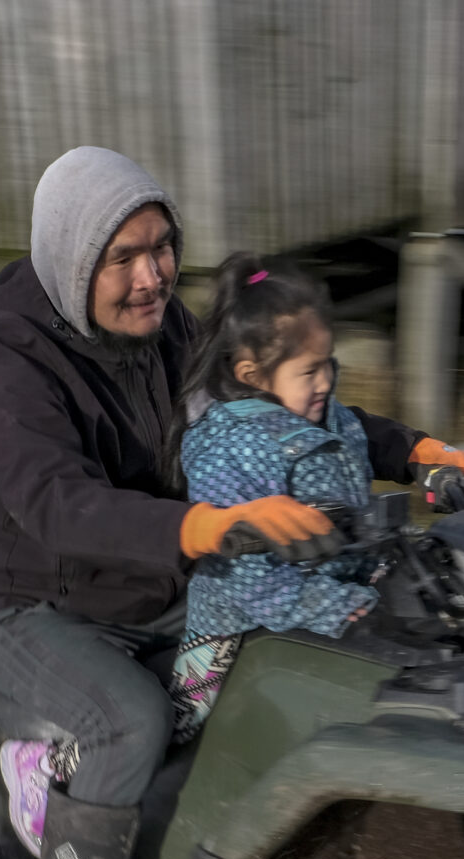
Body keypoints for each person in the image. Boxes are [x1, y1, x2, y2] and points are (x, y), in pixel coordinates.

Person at [0, 146, 464, 859]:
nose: (153, 276)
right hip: (20, 605)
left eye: (162, 248)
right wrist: (202, 528)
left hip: (139, 584)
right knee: (129, 720)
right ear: (77, 261)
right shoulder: (10, 361)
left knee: (281, 668)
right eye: (125, 257)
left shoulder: (166, 330)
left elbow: (283, 398)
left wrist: (413, 450)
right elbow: (54, 505)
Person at [168, 255, 387, 739]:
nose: (326, 382)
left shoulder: (331, 419)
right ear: (251, 373)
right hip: (239, 624)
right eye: (309, 372)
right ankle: (57, 763)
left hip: (329, 598)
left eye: (329, 363)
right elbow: (250, 583)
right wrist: (340, 610)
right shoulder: (231, 447)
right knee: (177, 728)